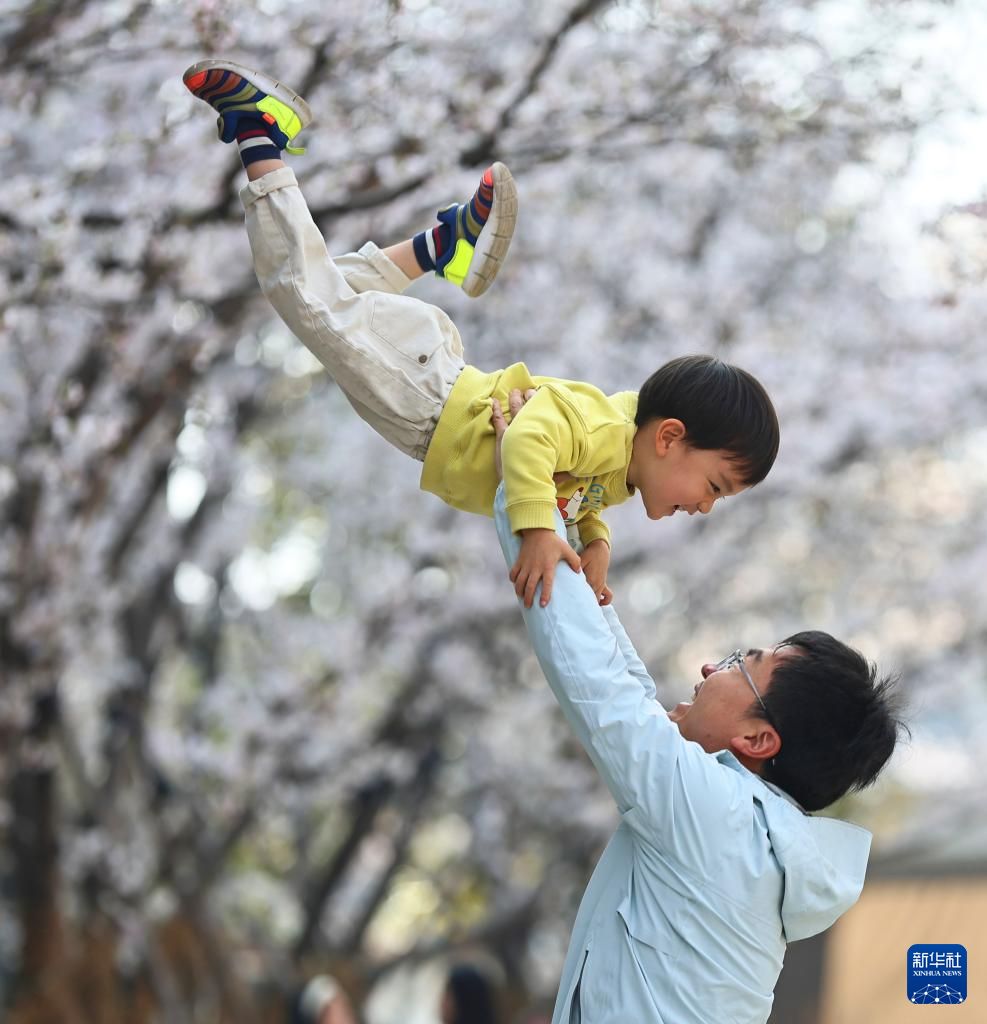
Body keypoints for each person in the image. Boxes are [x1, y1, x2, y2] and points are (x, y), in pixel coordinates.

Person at [182, 60, 779, 608]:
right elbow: (529, 443)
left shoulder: (625, 457)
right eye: (714, 486)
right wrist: (540, 532)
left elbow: (585, 489)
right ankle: (258, 135)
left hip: (432, 388)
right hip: (427, 402)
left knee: (328, 295)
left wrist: (596, 541)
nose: (704, 507)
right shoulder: (605, 431)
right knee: (304, 296)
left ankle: (441, 248)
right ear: (670, 438)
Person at [488, 390, 907, 1024]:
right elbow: (625, 688)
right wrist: (562, 508)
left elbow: (603, 693)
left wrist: (528, 510)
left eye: (742, 662)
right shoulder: (756, 837)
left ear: (759, 740)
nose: (713, 667)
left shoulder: (719, 819)